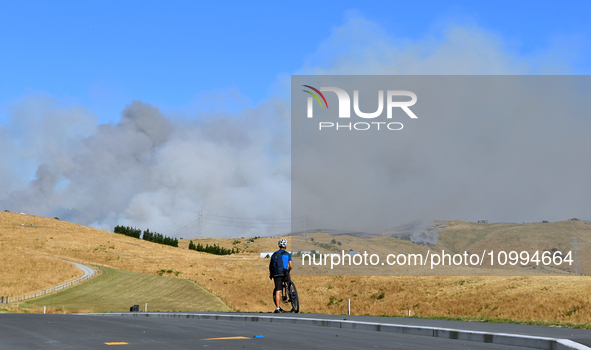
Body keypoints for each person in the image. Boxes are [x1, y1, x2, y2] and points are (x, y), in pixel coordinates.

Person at [269, 238, 292, 313]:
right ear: (285, 246)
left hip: (276, 275)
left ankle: (277, 308)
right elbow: (291, 265)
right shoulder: (287, 254)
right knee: (290, 283)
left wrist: (271, 274)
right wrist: (289, 271)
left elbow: (270, 266)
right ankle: (293, 295)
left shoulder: (274, 255)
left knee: (278, 290)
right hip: (285, 273)